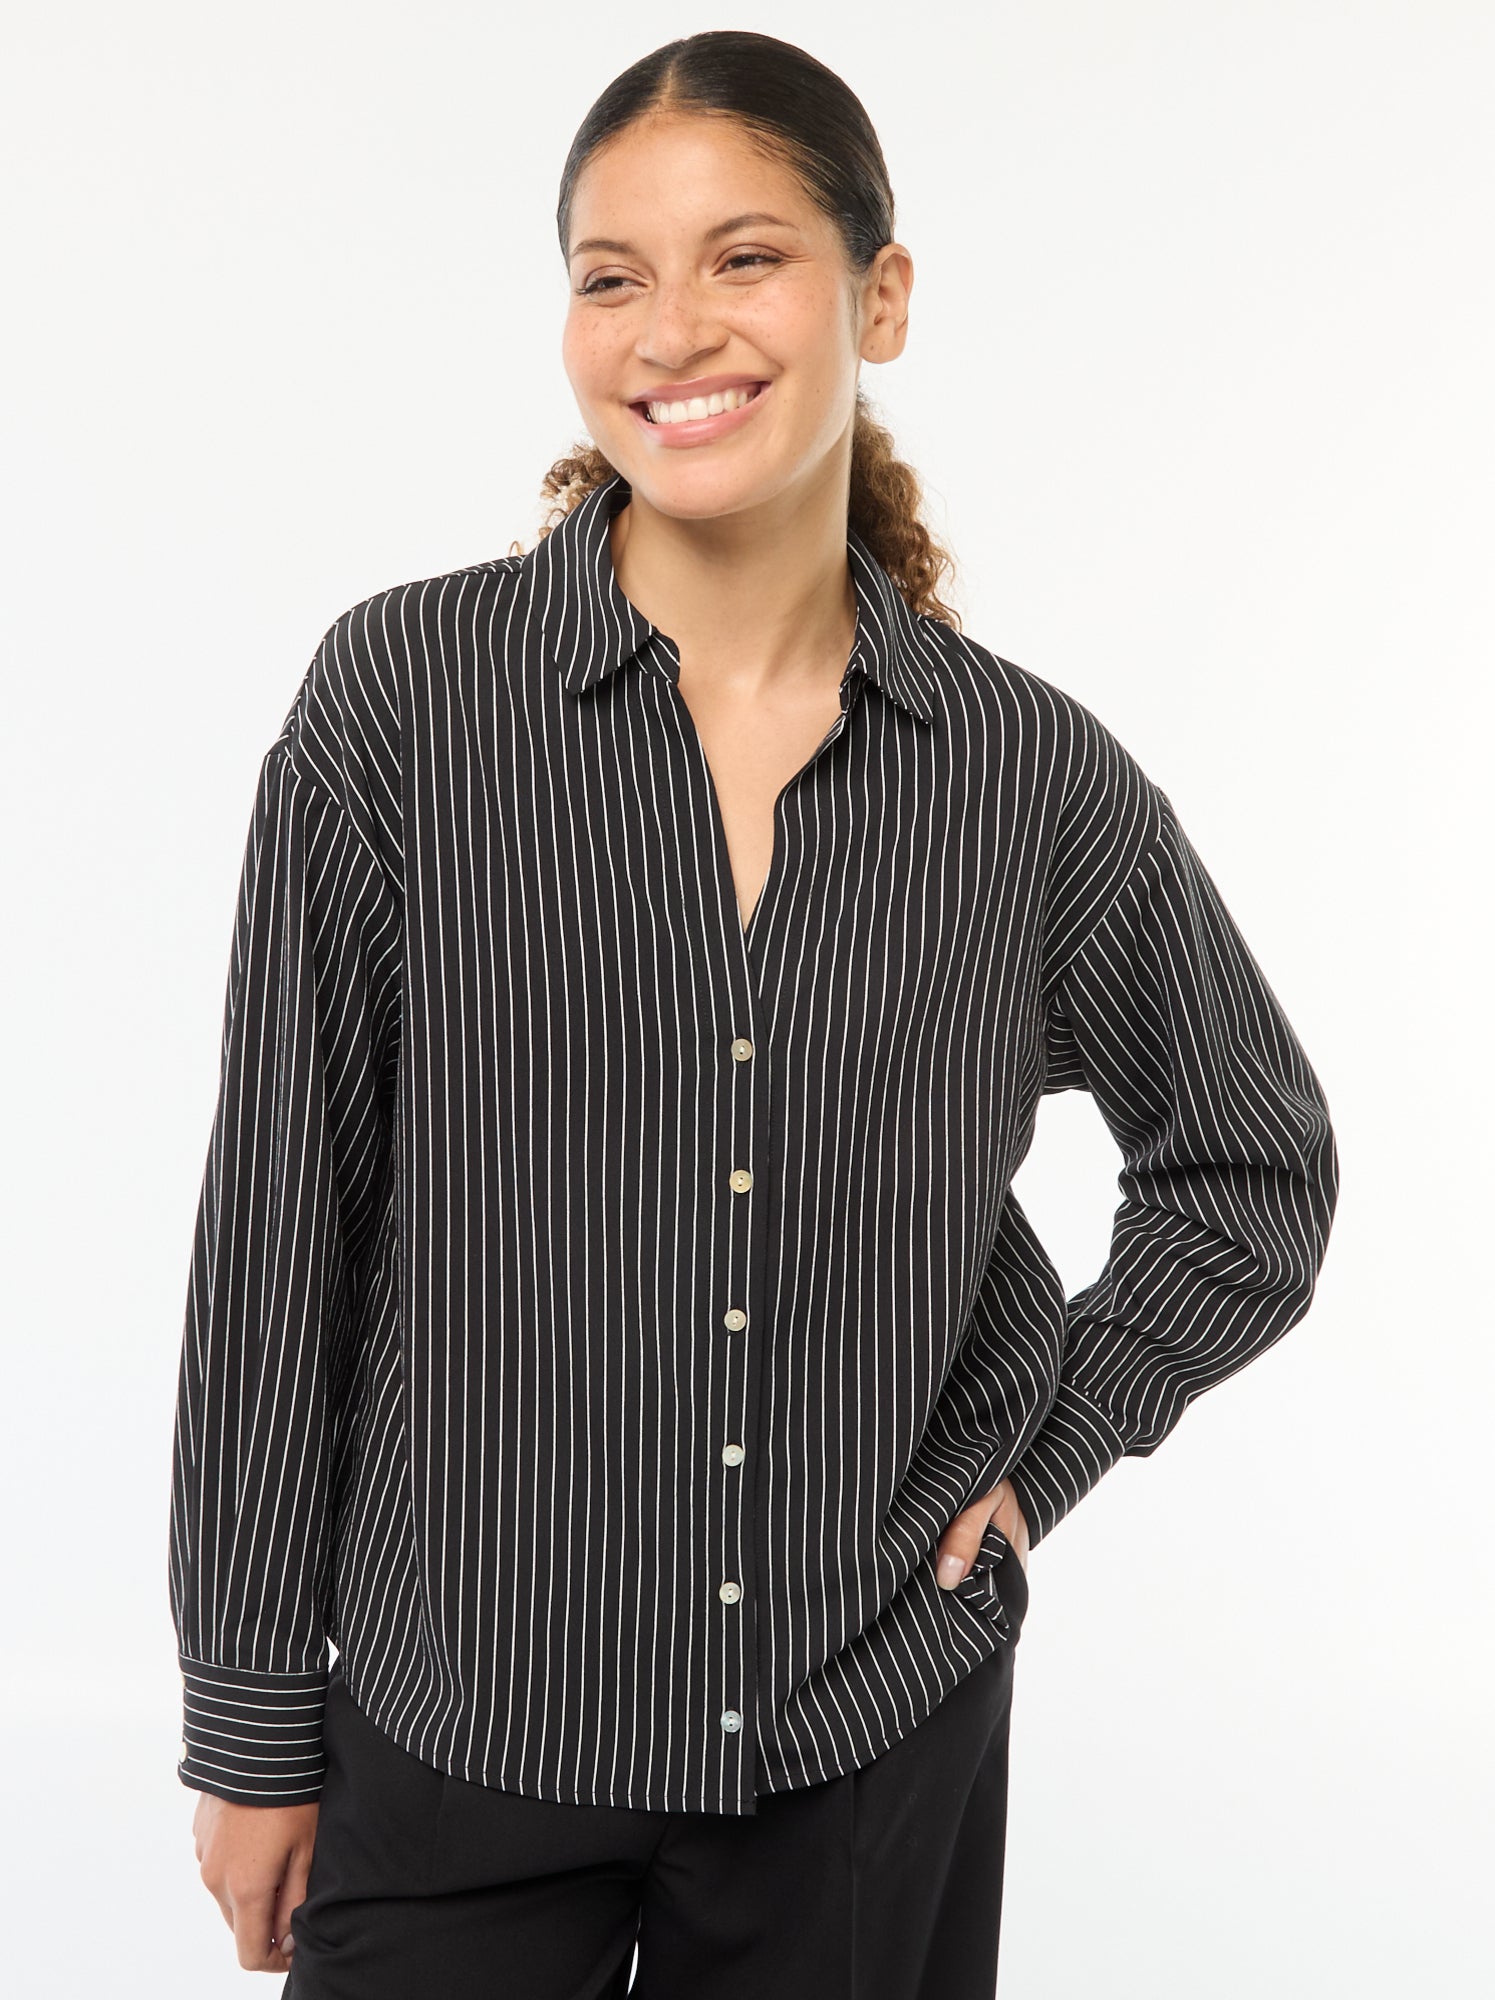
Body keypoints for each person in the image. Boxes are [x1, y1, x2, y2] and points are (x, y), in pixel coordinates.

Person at [168, 28, 1340, 1999]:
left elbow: (1251, 1166)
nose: (670, 329)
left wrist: (1049, 1454)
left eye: (745, 257)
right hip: (463, 1725)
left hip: (862, 1735)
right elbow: (283, 1230)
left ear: (880, 297)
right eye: (609, 274)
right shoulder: (404, 705)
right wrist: (250, 1716)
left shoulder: (1026, 782)